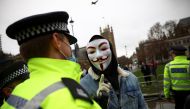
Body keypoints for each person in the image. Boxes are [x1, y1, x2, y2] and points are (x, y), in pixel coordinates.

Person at [1, 11, 101, 109]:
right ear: (57, 40)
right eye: (67, 41)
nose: (70, 47)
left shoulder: (16, 95)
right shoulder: (71, 99)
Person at [80, 35, 147, 109]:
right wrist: (99, 103)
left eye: (103, 48)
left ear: (111, 51)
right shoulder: (83, 86)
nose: (98, 55)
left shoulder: (131, 78)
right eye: (92, 51)